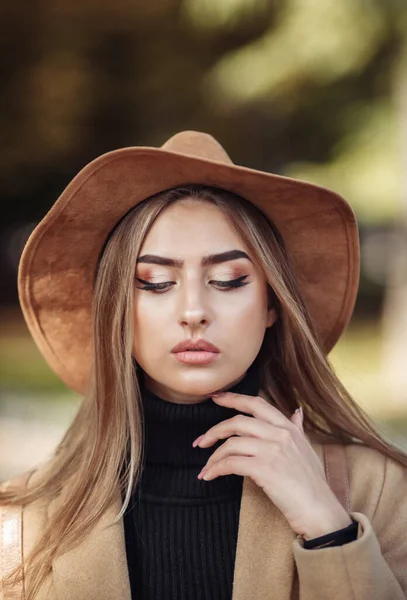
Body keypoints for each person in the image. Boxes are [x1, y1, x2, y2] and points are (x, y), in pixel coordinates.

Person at [1, 130, 407, 600]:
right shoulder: (22, 523)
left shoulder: (375, 489)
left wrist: (329, 530)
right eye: (154, 283)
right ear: (115, 309)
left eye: (228, 280)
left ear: (272, 304)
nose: (193, 310)